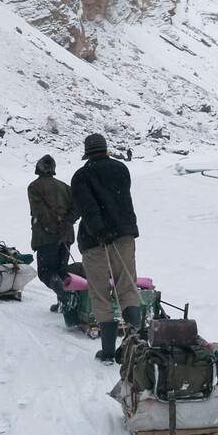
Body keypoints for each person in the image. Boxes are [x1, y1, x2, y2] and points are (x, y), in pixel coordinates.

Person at [71, 133, 140, 363]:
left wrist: (100, 230)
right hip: (125, 235)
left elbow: (89, 208)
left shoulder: (81, 176)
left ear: (87, 152)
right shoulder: (121, 169)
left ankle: (109, 351)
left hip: (95, 242)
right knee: (127, 287)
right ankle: (135, 345)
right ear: (105, 149)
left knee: (100, 293)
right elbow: (120, 200)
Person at [26, 154, 76, 311]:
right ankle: (65, 301)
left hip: (46, 237)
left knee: (46, 272)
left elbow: (39, 212)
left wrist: (52, 229)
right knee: (61, 270)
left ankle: (64, 298)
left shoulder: (34, 187)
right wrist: (66, 224)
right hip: (66, 236)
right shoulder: (65, 187)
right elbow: (77, 209)